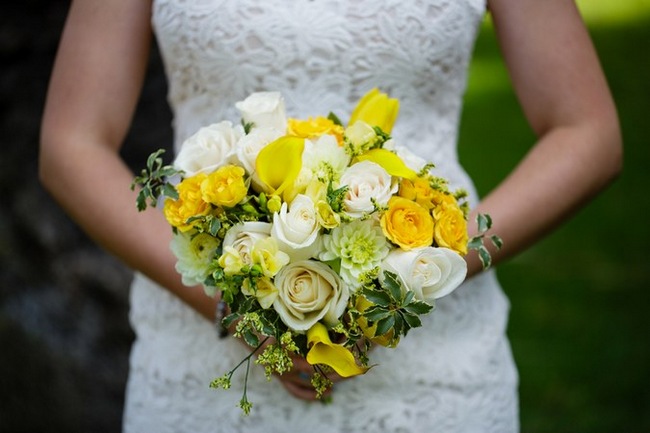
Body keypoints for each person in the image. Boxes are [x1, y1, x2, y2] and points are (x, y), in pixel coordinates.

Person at [39, 0, 621, 432]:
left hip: (430, 353)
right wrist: (235, 305)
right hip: (202, 362)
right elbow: (72, 143)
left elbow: (586, 130)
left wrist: (419, 276)